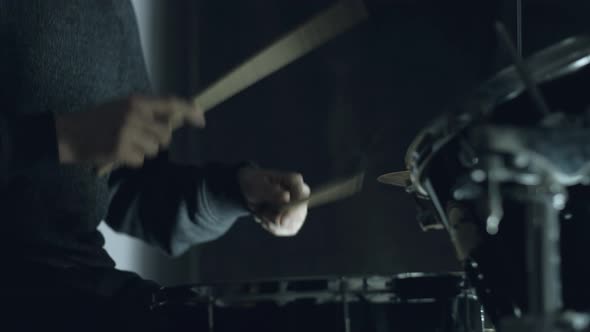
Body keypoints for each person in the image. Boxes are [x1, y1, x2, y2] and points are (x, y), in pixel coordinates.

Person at [0, 1, 310, 330]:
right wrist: (61, 137)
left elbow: (132, 191)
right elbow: (77, 138)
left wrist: (236, 190)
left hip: (81, 283)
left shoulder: (110, 9)